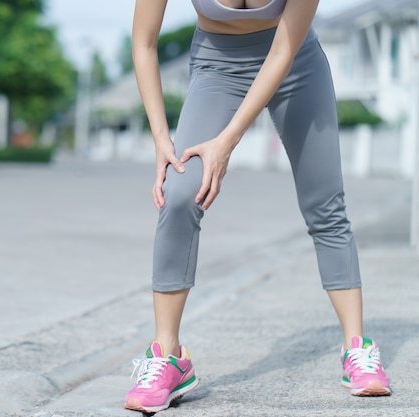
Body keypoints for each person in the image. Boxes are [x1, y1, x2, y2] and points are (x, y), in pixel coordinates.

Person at [124, 0, 391, 413]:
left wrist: (227, 142)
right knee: (179, 195)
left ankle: (357, 347)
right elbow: (143, 43)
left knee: (324, 204)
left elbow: (283, 51)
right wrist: (161, 138)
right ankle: (167, 355)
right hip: (216, 66)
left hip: (295, 61)